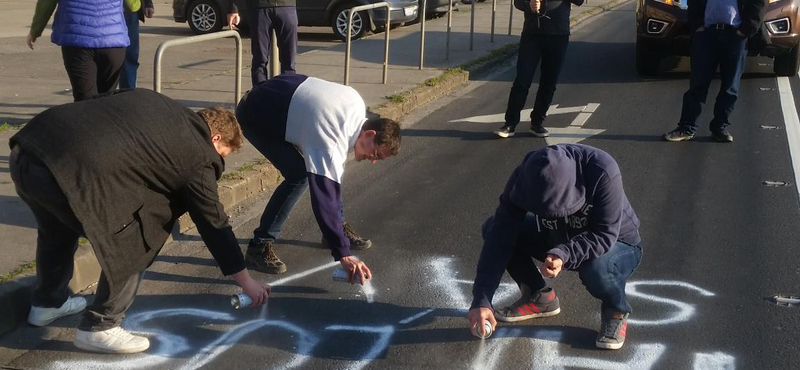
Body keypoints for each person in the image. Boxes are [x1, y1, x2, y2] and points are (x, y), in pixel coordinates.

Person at [9, 89, 271, 354]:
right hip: (65, 171)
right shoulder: (199, 155)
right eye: (223, 154)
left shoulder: (159, 102)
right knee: (137, 237)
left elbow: (103, 100)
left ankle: (47, 303)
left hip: (29, 148)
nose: (220, 162)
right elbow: (213, 222)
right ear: (215, 138)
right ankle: (101, 326)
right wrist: (246, 281)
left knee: (57, 230)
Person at [467, 144, 643, 350]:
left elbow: (605, 235)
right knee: (493, 228)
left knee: (596, 269)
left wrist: (564, 253)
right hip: (558, 237)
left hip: (617, 244)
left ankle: (616, 309)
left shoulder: (602, 170)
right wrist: (481, 299)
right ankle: (539, 297)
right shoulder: (525, 177)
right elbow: (500, 235)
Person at [235, 74, 401, 281]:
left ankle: (335, 230)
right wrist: (343, 254)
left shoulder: (357, 106)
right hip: (256, 112)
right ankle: (259, 246)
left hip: (277, 94)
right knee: (299, 175)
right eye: (375, 154)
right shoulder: (332, 139)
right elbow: (324, 197)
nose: (373, 160)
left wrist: (335, 233)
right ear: (369, 134)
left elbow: (333, 177)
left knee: (331, 171)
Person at [663, 0, 765, 143]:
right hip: (706, 33)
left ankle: (719, 128)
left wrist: (746, 29)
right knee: (698, 84)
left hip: (736, 35)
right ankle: (686, 128)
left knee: (730, 87)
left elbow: (759, 3)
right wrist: (697, 25)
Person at [494, 0, 584, 138]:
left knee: (549, 82)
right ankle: (510, 124)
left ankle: (537, 123)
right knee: (522, 80)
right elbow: (518, 2)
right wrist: (528, 4)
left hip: (558, 35)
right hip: (532, 35)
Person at [27, 0, 141, 101]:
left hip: (77, 40)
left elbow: (46, 4)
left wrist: (35, 31)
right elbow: (133, 6)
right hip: (112, 42)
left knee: (84, 102)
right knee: (107, 100)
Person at [226, 0, 298, 87]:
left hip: (286, 6)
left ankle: (287, 94)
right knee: (260, 60)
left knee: (289, 61)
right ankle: (260, 95)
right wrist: (233, 8)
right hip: (259, 6)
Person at [119, 0, 155, 89]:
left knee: (129, 58)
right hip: (103, 11)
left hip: (129, 11)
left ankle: (128, 94)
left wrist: (148, 3)